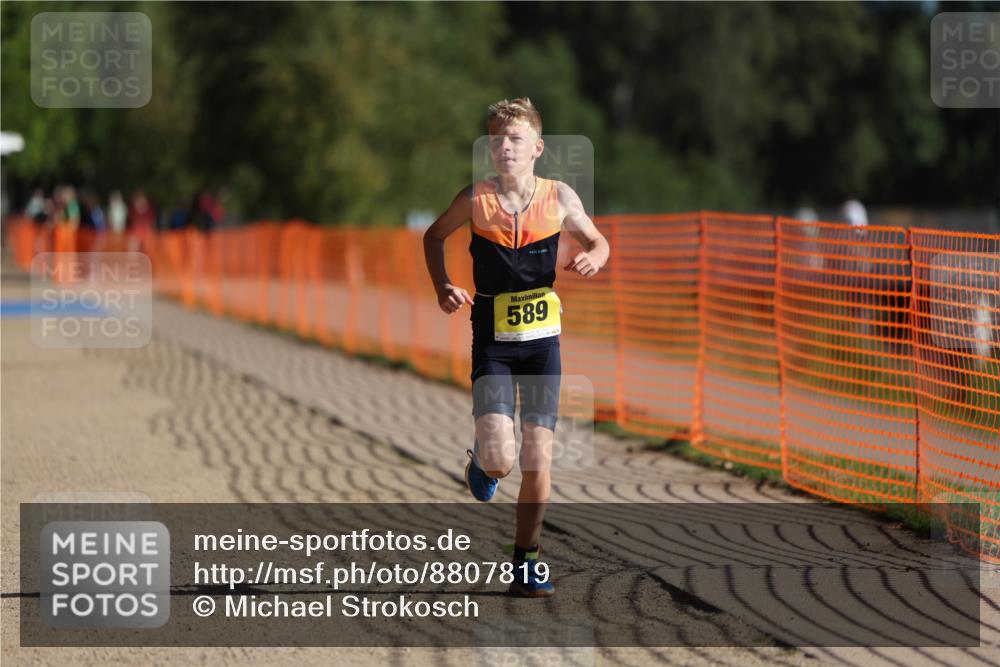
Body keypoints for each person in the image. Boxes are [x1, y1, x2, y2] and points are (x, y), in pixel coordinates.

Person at [422, 98, 609, 598]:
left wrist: (595, 256)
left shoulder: (559, 196)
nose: (505, 147)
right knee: (502, 460)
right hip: (493, 344)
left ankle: (527, 561)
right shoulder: (475, 199)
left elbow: (599, 241)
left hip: (543, 346)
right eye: (497, 140)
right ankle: (482, 463)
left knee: (537, 459)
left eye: (516, 139)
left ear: (537, 148)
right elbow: (433, 237)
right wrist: (443, 286)